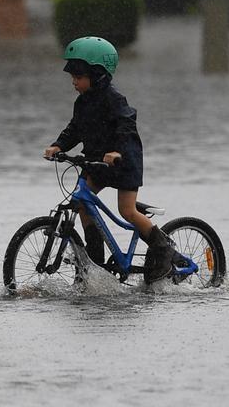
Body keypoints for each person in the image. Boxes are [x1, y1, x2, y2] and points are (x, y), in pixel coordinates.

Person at [42, 36, 175, 282]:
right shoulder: (82, 102)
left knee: (127, 211)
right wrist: (58, 144)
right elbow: (75, 128)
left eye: (78, 77)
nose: (74, 82)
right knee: (81, 203)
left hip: (123, 163)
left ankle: (163, 249)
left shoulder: (114, 99)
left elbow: (126, 125)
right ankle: (95, 263)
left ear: (98, 75)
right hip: (96, 162)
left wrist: (117, 152)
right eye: (72, 77)